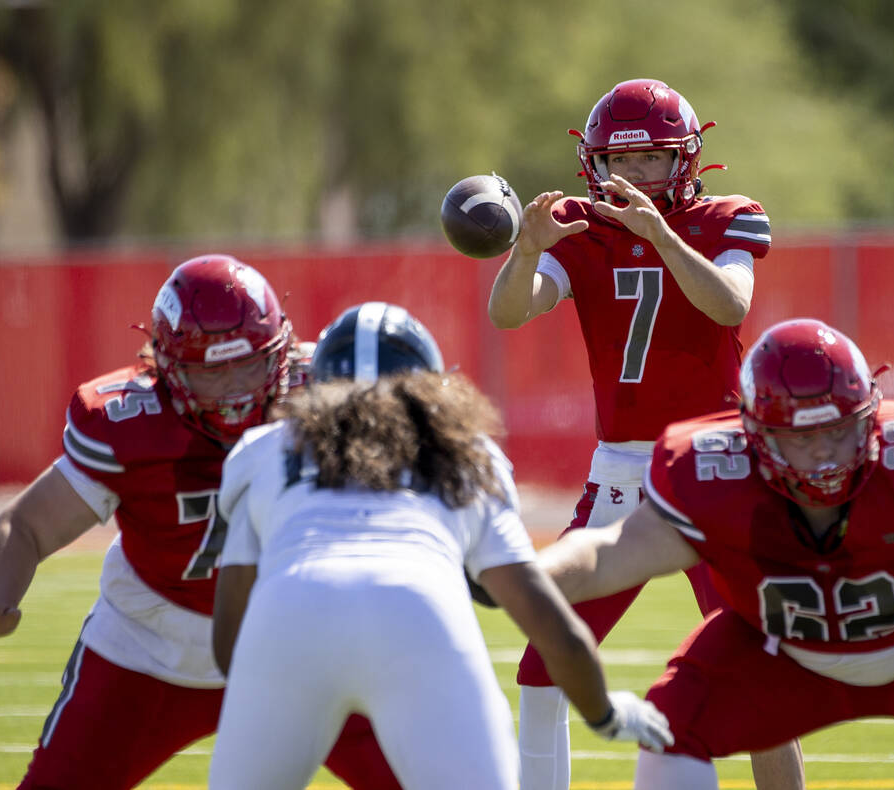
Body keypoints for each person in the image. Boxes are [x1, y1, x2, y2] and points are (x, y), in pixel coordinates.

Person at [535, 317, 894, 790]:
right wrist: (523, 574)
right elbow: (609, 552)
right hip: (782, 657)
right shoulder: (716, 474)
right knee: (670, 719)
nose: (824, 456)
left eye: (838, 431)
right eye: (800, 438)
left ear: (870, 416)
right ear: (754, 434)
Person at [0, 255, 400, 789]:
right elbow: (27, 525)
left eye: (248, 363)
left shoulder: (326, 394)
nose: (233, 389)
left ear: (280, 350)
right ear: (166, 365)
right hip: (150, 650)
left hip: (306, 642)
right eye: (211, 370)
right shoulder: (127, 423)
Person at [207, 302, 673, 790]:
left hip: (288, 617)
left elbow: (227, 644)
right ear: (430, 387)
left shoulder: (260, 452)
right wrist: (603, 713)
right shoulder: (469, 456)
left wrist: (287, 684)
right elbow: (550, 624)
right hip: (419, 611)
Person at [486, 77, 801, 789]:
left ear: (685, 160)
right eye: (620, 163)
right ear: (594, 165)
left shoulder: (725, 218)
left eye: (651, 160)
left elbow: (728, 307)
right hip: (623, 471)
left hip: (719, 465)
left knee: (758, 664)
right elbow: (509, 313)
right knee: (543, 664)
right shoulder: (578, 226)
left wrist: (658, 235)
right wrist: (527, 251)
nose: (633, 178)